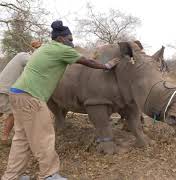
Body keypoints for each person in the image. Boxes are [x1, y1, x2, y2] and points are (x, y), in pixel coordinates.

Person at [1, 20, 120, 180]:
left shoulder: (46, 48)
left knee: (21, 139)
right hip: (31, 96)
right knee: (44, 136)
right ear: (60, 39)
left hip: (17, 94)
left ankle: (12, 176)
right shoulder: (62, 49)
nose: (72, 43)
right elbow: (88, 62)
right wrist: (106, 66)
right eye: (69, 39)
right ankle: (49, 175)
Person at [0, 40, 42, 145]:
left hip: (4, 88)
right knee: (13, 113)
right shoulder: (23, 56)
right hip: (6, 89)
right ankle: (4, 138)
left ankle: (4, 138)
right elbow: (36, 63)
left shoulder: (22, 57)